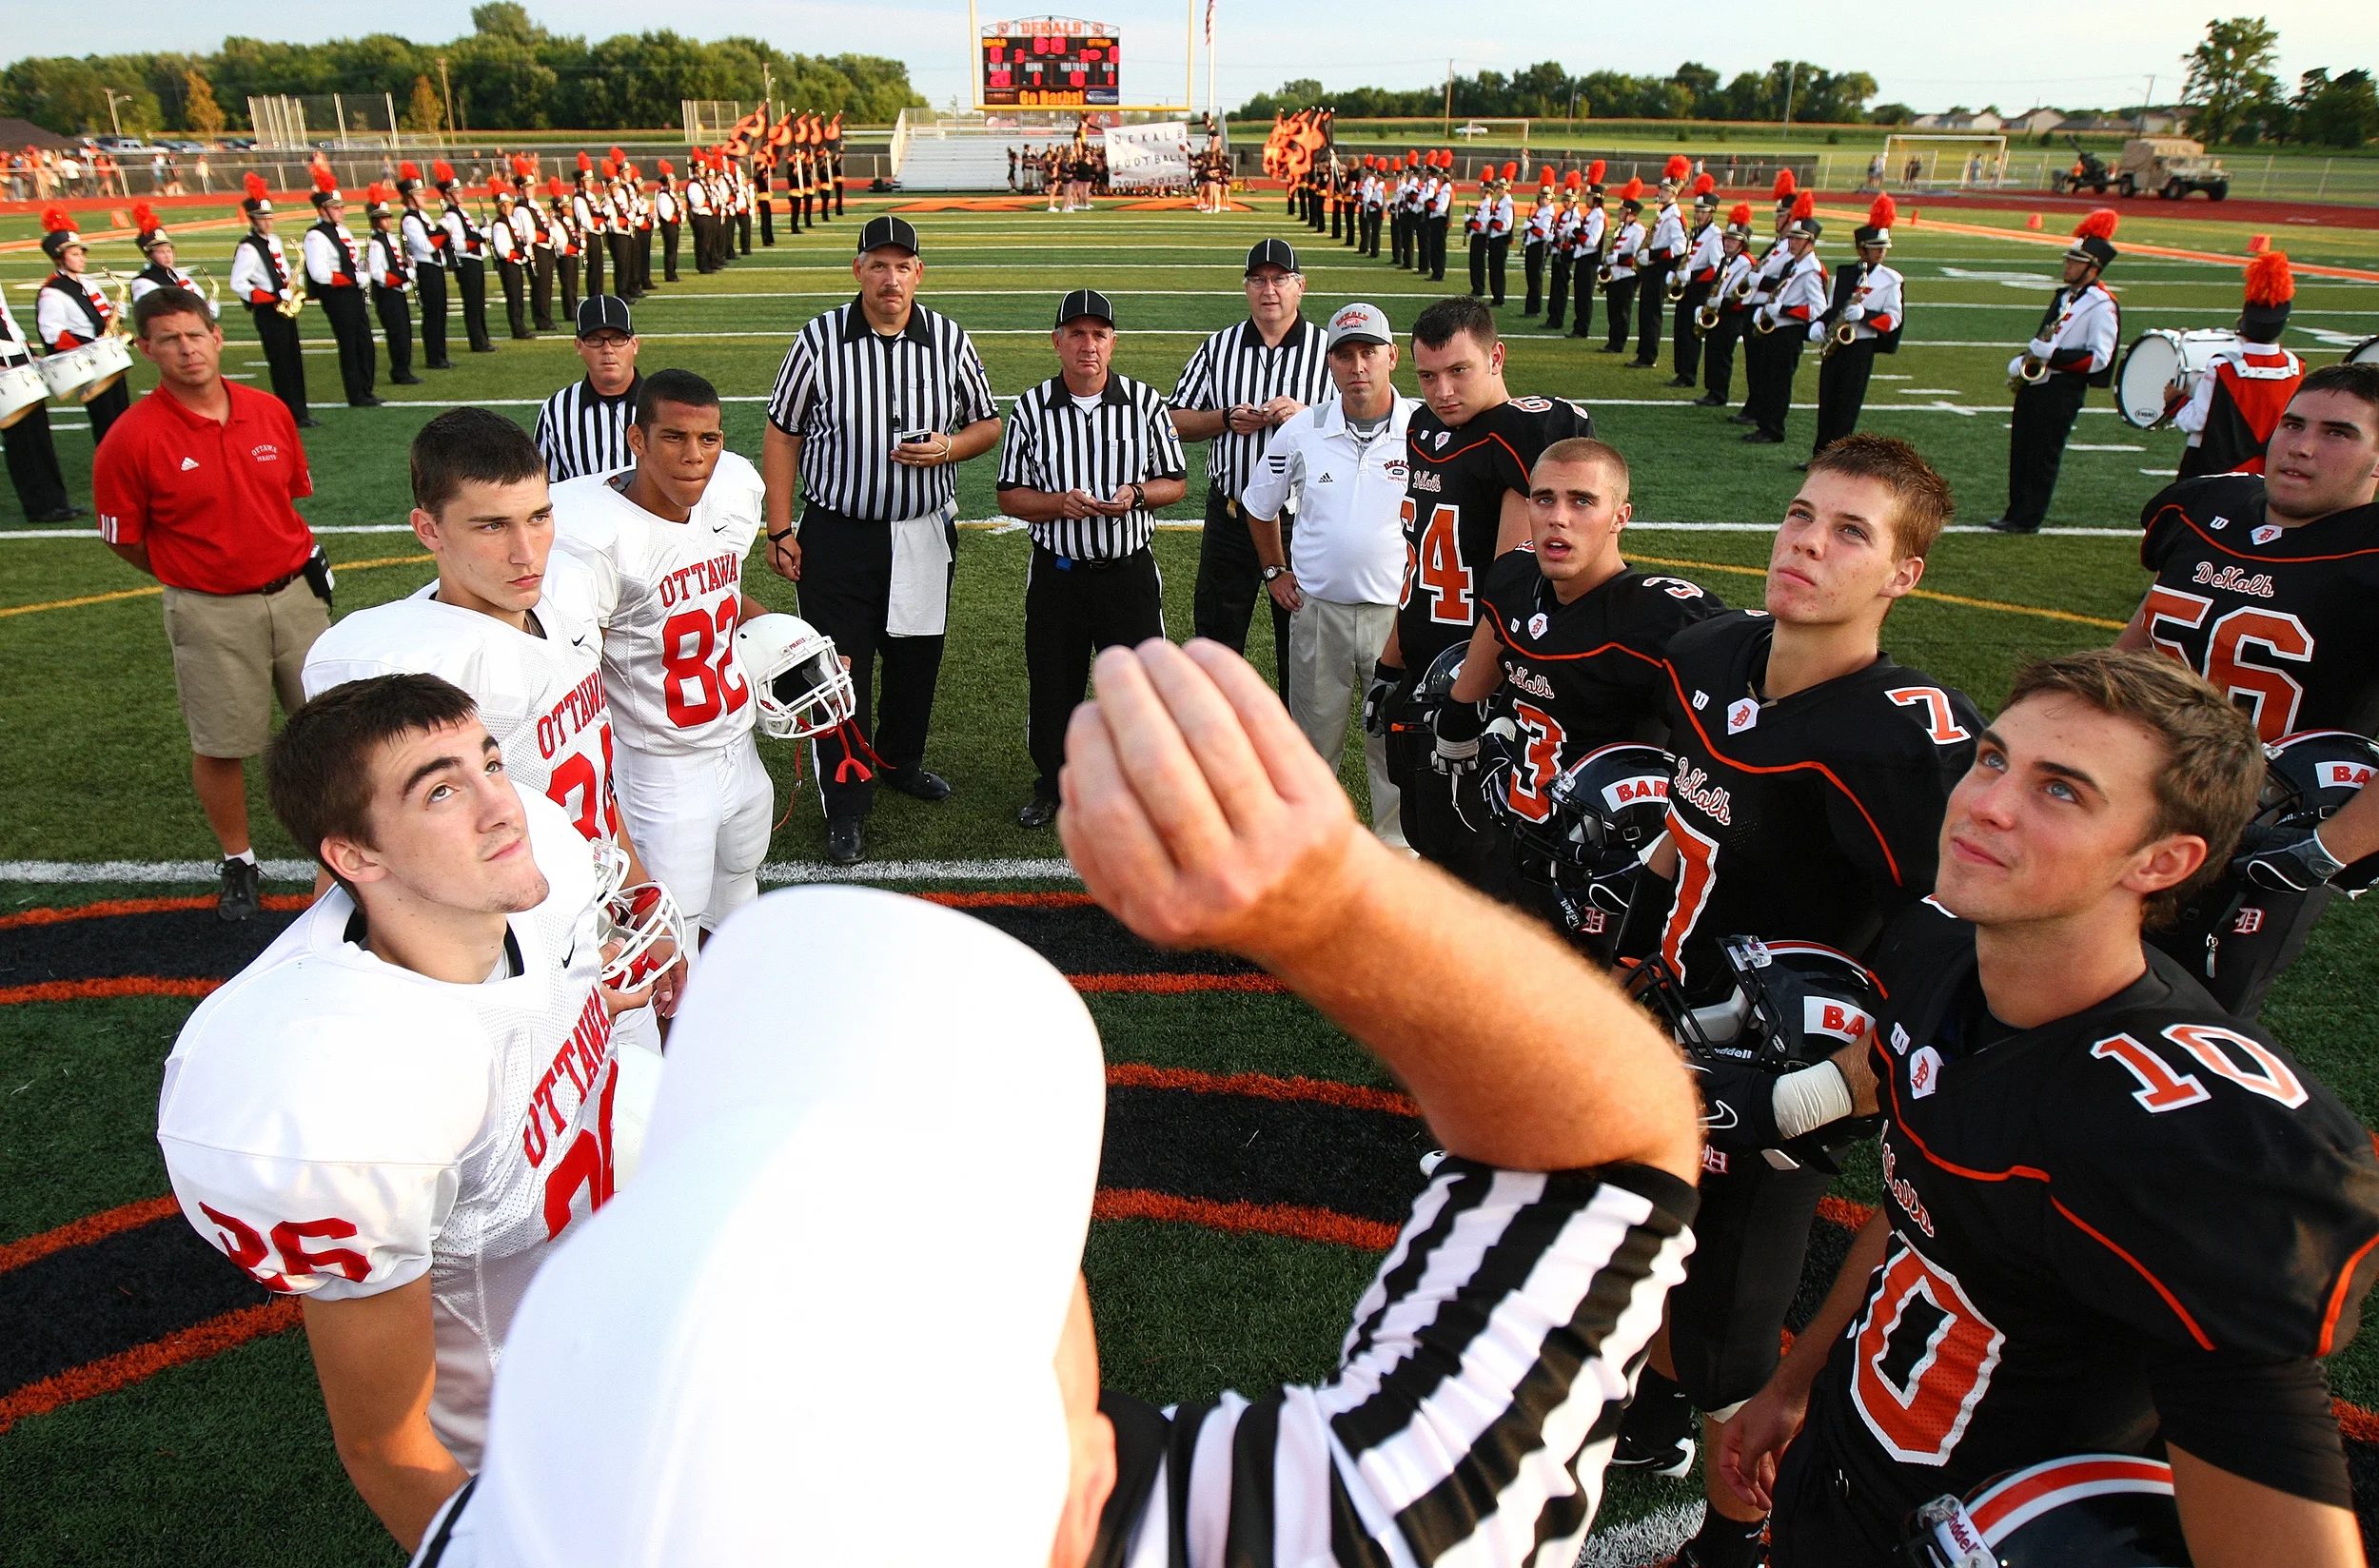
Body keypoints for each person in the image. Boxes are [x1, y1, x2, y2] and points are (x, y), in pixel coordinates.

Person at [394, 636, 1702, 1568]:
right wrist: (1336, 908)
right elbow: (1606, 1154)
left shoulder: (525, 1522)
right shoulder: (1345, 1529)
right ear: (1077, 1487)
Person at [1721, 649, 2379, 1568]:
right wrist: (1798, 1379)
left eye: (2062, 791)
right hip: (1846, 1463)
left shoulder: (2176, 1120)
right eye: (1993, 760)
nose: (1985, 803)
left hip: (1985, 1532)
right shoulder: (1942, 956)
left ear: (2163, 860)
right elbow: (1921, 1204)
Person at [158, 671, 652, 1554]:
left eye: (490, 761)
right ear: (356, 857)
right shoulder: (340, 1082)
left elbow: (530, 1006)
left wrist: (588, 1005)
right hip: (521, 1424)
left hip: (621, 1308)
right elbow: (386, 1443)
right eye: (442, 789)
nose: (503, 804)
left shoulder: (524, 876)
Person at [1612, 434, 1979, 1568]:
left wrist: (1835, 1085)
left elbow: (1958, 944)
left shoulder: (1904, 741)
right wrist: (1634, 929)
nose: (1807, 544)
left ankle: (1737, 1534)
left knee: (1729, 1323)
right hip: (1675, 1007)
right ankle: (1666, 1410)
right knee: (1650, 1245)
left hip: (1786, 1066)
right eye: (1801, 516)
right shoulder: (1710, 653)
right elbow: (1691, 830)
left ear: (1900, 574)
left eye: (1850, 532)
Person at [302, 408, 681, 1063]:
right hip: (510, 974)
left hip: (602, 930)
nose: (526, 552)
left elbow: (588, 780)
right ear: (428, 529)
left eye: (539, 517)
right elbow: (355, 866)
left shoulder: (560, 600)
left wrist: (639, 895)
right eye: (491, 526)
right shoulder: (415, 668)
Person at [2119, 362, 2379, 1018]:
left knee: (2187, 1021)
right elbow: (2150, 624)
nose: (2301, 445)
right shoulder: (2204, 507)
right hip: (2137, 790)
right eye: (2293, 423)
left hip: (2264, 833)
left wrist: (2325, 851)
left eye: (2338, 433)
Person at [760, 216, 1001, 866]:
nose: (890, 278)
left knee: (914, 659)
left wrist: (950, 446)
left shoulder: (948, 339)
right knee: (836, 672)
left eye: (902, 266)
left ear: (918, 273)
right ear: (858, 270)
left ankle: (899, 762)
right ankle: (846, 804)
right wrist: (780, 526)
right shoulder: (818, 339)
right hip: (838, 532)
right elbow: (783, 432)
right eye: (877, 264)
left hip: (922, 530)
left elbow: (987, 423)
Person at [93, 287, 331, 921]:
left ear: (217, 337)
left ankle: (343, 847)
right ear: (145, 349)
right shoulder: (131, 438)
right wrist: (192, 575)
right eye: (168, 339)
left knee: (329, 725)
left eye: (194, 334)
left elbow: (289, 496)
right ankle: (240, 860)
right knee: (224, 742)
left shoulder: (268, 411)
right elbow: (125, 539)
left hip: (296, 593)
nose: (186, 348)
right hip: (211, 609)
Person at [1443, 438, 1724, 931]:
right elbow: (1494, 625)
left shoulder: (1658, 618)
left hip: (1605, 860)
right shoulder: (1514, 576)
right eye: (1544, 498)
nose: (1558, 517)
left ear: (1621, 516)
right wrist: (1459, 712)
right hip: (1518, 832)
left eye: (1582, 501)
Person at [1375, 296, 1593, 880]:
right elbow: (1419, 563)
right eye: (1426, 375)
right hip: (1426, 657)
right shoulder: (1425, 427)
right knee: (1427, 834)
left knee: (1478, 852)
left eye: (1459, 371)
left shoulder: (1522, 432)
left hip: (1479, 675)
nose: (1442, 390)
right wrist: (1392, 662)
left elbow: (1510, 593)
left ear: (1497, 357)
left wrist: (1466, 700)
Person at [551, 371, 770, 940]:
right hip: (664, 766)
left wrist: (780, 638)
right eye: (673, 437)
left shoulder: (729, 493)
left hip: (737, 745)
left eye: (709, 439)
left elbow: (718, 590)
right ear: (637, 440)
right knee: (671, 928)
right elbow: (571, 672)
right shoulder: (595, 536)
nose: (694, 456)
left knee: (740, 892)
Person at [995, 289, 1190, 832]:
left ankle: (1138, 785)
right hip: (1059, 573)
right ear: (1056, 342)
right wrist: (1059, 505)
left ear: (1113, 342)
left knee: (1138, 687)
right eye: (1076, 334)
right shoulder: (1031, 408)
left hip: (1127, 572)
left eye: (1098, 334)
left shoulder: (1145, 403)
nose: (1088, 345)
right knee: (1053, 684)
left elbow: (1175, 482)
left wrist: (1136, 493)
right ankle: (1054, 785)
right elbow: (1009, 494)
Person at [1235, 302, 1413, 847]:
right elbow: (1258, 504)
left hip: (1397, 619)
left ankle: (1398, 855)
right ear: (1329, 364)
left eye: (1368, 353)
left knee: (1396, 746)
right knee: (1314, 741)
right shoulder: (1301, 430)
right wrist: (1274, 571)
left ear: (1392, 357)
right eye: (1346, 355)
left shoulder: (1424, 428)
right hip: (1319, 612)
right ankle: (1311, 853)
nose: (1358, 366)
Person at [1170, 238, 1333, 688]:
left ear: (1300, 286)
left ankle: (1292, 747)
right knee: (1218, 639)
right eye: (1259, 280)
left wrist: (1306, 418)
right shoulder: (1217, 348)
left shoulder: (1329, 350)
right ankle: (1217, 744)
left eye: (1280, 279)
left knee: (1301, 645)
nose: (1269, 290)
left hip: (1303, 520)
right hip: (1232, 515)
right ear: (1246, 288)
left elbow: (1362, 423)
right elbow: (1173, 420)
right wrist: (1222, 419)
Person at [1987, 210, 2121, 533]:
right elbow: (2047, 336)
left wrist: (2055, 356)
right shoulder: (2065, 298)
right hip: (2038, 382)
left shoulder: (2102, 306)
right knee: (2022, 450)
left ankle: (2028, 517)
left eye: (2075, 262)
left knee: (2043, 456)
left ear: (2093, 268)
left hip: (2062, 389)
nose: (2067, 266)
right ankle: (2015, 510)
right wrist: (2025, 358)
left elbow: (2099, 359)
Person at [2173, 248, 2304, 480]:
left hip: (2217, 472)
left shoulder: (2223, 367)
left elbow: (2196, 421)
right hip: (2270, 474)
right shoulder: (2296, 368)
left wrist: (2175, 402)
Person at [1809, 197, 1905, 461]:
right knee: (1827, 400)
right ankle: (1819, 455)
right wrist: (1819, 324)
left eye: (1883, 248)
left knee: (1846, 406)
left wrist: (1865, 316)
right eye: (1875, 248)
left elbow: (1893, 319)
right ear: (1862, 250)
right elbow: (1832, 307)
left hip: (1861, 346)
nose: (1881, 252)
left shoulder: (1891, 280)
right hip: (1837, 344)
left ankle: (1837, 459)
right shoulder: (1845, 275)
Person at [35, 206, 132, 447]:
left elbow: (105, 313)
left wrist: (117, 313)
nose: (82, 258)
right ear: (60, 258)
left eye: (81, 253)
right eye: (76, 254)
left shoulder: (88, 283)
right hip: (89, 366)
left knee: (123, 417)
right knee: (106, 423)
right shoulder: (52, 293)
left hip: (110, 357)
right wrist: (87, 348)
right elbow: (52, 334)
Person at [228, 175, 314, 427]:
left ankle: (300, 411)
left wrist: (291, 287)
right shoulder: (248, 248)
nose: (267, 222)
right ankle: (287, 413)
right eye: (262, 218)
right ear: (253, 220)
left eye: (269, 217)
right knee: (280, 364)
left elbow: (283, 270)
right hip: (268, 311)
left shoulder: (274, 241)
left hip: (285, 308)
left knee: (294, 360)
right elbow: (238, 284)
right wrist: (273, 296)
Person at [1741, 202, 1826, 446]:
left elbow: (1818, 309)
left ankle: (1773, 428)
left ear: (1809, 241)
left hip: (1789, 331)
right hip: (1775, 328)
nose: (1791, 242)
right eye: (1791, 237)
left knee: (1779, 381)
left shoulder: (1811, 270)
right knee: (1769, 377)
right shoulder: (1794, 264)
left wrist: (1785, 311)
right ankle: (1764, 424)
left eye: (1798, 238)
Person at [533, 297, 642, 482]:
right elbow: (545, 486)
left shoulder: (661, 405)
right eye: (595, 340)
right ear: (579, 346)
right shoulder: (557, 409)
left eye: (617, 339)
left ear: (634, 345)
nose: (607, 349)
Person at [302, 170, 383, 409]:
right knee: (349, 344)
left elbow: (353, 259)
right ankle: (356, 393)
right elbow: (319, 273)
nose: (341, 210)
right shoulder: (315, 237)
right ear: (322, 210)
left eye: (341, 206)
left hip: (354, 293)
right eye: (335, 207)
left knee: (364, 342)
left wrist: (363, 271)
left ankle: (366, 389)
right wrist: (353, 279)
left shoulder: (343, 231)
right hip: (337, 297)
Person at [0, 287, 75, 521]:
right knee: (21, 440)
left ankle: (56, 502)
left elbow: (8, 321)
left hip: (18, 357)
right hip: (3, 364)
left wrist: (29, 353)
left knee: (39, 434)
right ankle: (39, 507)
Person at [362, 184, 423, 387]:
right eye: (384, 218)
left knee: (404, 332)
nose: (388, 220)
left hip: (397, 292)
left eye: (388, 217)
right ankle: (399, 371)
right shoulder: (377, 243)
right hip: (388, 295)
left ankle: (404, 368)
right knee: (397, 333)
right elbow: (379, 274)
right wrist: (405, 274)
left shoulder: (390, 239)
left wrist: (406, 265)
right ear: (377, 221)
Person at [1698, 205, 1757, 411]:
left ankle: (1719, 392)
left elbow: (1741, 293)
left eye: (1733, 240)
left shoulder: (1746, 263)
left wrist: (1721, 302)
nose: (1728, 242)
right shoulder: (1727, 260)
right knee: (1713, 351)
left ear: (1743, 243)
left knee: (1722, 353)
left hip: (1732, 315)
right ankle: (1713, 389)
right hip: (1718, 313)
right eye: (1727, 239)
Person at [398, 163, 454, 373]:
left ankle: (441, 354)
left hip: (436, 266)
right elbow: (426, 245)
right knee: (432, 313)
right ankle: (433, 356)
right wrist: (442, 229)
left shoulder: (423, 216)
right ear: (410, 196)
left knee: (440, 312)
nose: (424, 196)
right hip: (425, 268)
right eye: (419, 193)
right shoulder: (410, 221)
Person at [1633, 164, 1689, 368]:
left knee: (1651, 313)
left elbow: (1680, 246)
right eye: (1662, 189)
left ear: (1675, 194)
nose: (1662, 193)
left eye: (1667, 191)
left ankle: (1649, 355)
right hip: (1652, 269)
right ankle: (1644, 352)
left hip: (1659, 269)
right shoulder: (1665, 213)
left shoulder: (1673, 216)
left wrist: (1653, 255)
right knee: (1645, 312)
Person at [1668, 178, 1721, 387]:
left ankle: (1688, 374)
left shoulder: (1715, 235)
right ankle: (1681, 370)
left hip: (1699, 289)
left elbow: (1716, 267)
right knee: (1680, 329)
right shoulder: (1697, 232)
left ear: (1711, 213)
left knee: (1690, 332)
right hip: (1686, 288)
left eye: (1703, 211)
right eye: (1697, 210)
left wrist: (1693, 276)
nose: (1698, 214)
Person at [441, 165, 497, 355]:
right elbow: (459, 244)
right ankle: (478, 341)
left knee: (479, 302)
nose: (461, 194)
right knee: (473, 303)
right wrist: (481, 235)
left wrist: (481, 229)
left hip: (475, 260)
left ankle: (483, 338)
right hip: (466, 262)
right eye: (456, 192)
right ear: (448, 195)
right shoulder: (451, 215)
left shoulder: (461, 213)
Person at [1564, 165, 1609, 342]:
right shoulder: (1592, 215)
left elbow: (1592, 241)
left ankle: (1582, 327)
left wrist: (1576, 233)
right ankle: (1579, 325)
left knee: (1584, 296)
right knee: (1579, 295)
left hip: (1589, 260)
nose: (1586, 199)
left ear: (1596, 199)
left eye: (1589, 196)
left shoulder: (1598, 216)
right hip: (1582, 258)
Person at [128, 206, 204, 307]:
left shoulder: (179, 276)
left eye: (169, 251)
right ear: (149, 255)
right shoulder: (144, 282)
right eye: (161, 252)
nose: (167, 256)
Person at [1600, 181, 1645, 355]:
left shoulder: (1638, 231)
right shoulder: (1623, 229)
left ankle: (1618, 343)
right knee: (1613, 310)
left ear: (1630, 213)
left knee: (1622, 312)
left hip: (1627, 276)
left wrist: (1615, 259)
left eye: (1621, 211)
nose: (1618, 213)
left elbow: (1636, 256)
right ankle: (1612, 341)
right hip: (1615, 275)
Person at [489, 185, 533, 342]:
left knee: (519, 297)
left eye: (509, 204)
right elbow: (503, 251)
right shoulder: (500, 225)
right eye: (504, 205)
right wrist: (520, 254)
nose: (507, 207)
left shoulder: (512, 221)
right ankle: (517, 329)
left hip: (516, 263)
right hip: (509, 265)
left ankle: (520, 326)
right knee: (514, 297)